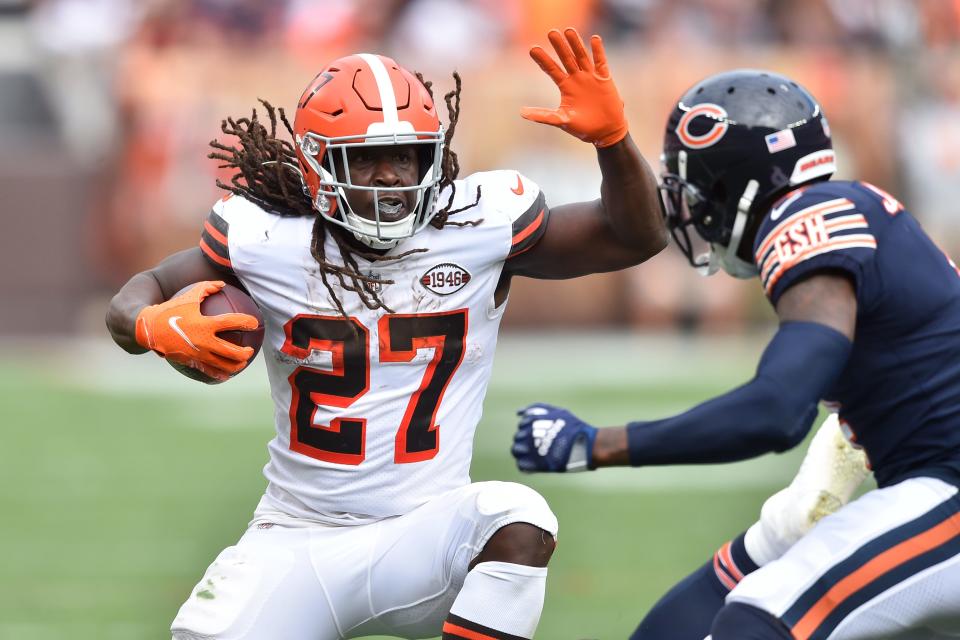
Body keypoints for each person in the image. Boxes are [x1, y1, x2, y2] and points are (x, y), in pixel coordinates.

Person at [105, 28, 667, 640]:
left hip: (427, 533)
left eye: (404, 155)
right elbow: (141, 292)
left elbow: (636, 236)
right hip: (299, 535)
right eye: (364, 158)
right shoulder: (267, 240)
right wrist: (150, 323)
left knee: (518, 518)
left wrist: (614, 142)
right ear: (318, 162)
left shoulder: (477, 228)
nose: (390, 177)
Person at [511, 69, 960, 639]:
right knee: (739, 579)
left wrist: (594, 444)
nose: (689, 209)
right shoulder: (851, 213)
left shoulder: (809, 219)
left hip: (948, 486)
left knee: (763, 615)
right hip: (924, 474)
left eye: (697, 190)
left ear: (740, 186)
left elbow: (775, 412)